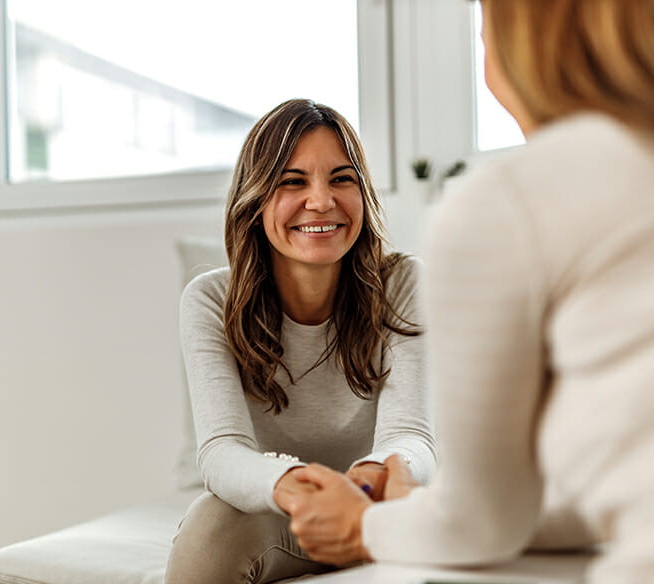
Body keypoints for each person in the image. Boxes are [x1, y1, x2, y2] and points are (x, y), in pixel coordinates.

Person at [275, 1, 654, 582]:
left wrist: (363, 526)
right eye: (293, 182)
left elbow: (483, 521)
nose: (320, 201)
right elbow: (610, 491)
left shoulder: (510, 203)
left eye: (483, 30)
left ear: (521, 43)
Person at [164, 98, 437, 583]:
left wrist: (365, 483)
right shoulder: (209, 300)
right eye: (293, 181)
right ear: (256, 198)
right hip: (281, 508)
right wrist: (295, 486)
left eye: (341, 178)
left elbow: (410, 436)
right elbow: (222, 451)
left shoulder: (402, 284)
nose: (321, 201)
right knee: (211, 523)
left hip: (380, 508)